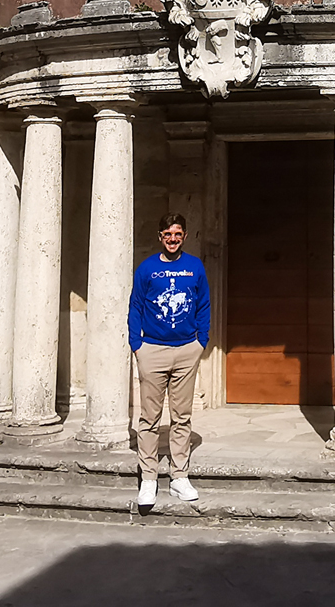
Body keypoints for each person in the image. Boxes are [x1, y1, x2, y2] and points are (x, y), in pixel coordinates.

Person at [128, 212, 211, 507]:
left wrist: (201, 340)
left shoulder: (194, 267)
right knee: (149, 418)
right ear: (160, 237)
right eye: (167, 234)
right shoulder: (147, 269)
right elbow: (136, 305)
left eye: (177, 234)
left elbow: (203, 303)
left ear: (184, 236)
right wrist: (136, 344)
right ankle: (148, 479)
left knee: (182, 416)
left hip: (187, 349)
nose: (172, 239)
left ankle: (179, 477)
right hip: (152, 349)